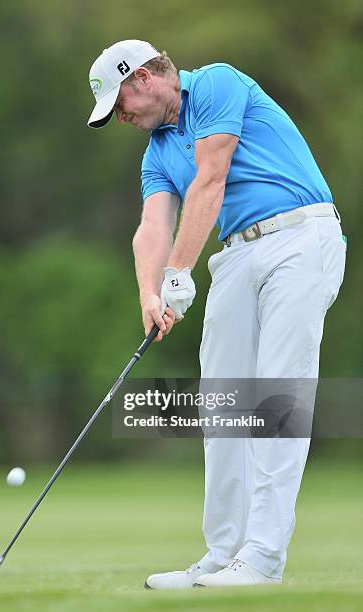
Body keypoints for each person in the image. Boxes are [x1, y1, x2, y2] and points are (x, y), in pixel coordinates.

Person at [86, 40, 346, 588]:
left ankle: (262, 559)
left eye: (121, 103)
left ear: (148, 78)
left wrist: (180, 273)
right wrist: (150, 293)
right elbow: (152, 226)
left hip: (300, 237)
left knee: (276, 400)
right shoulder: (156, 151)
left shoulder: (217, 83)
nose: (122, 117)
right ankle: (223, 552)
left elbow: (212, 176)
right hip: (236, 254)